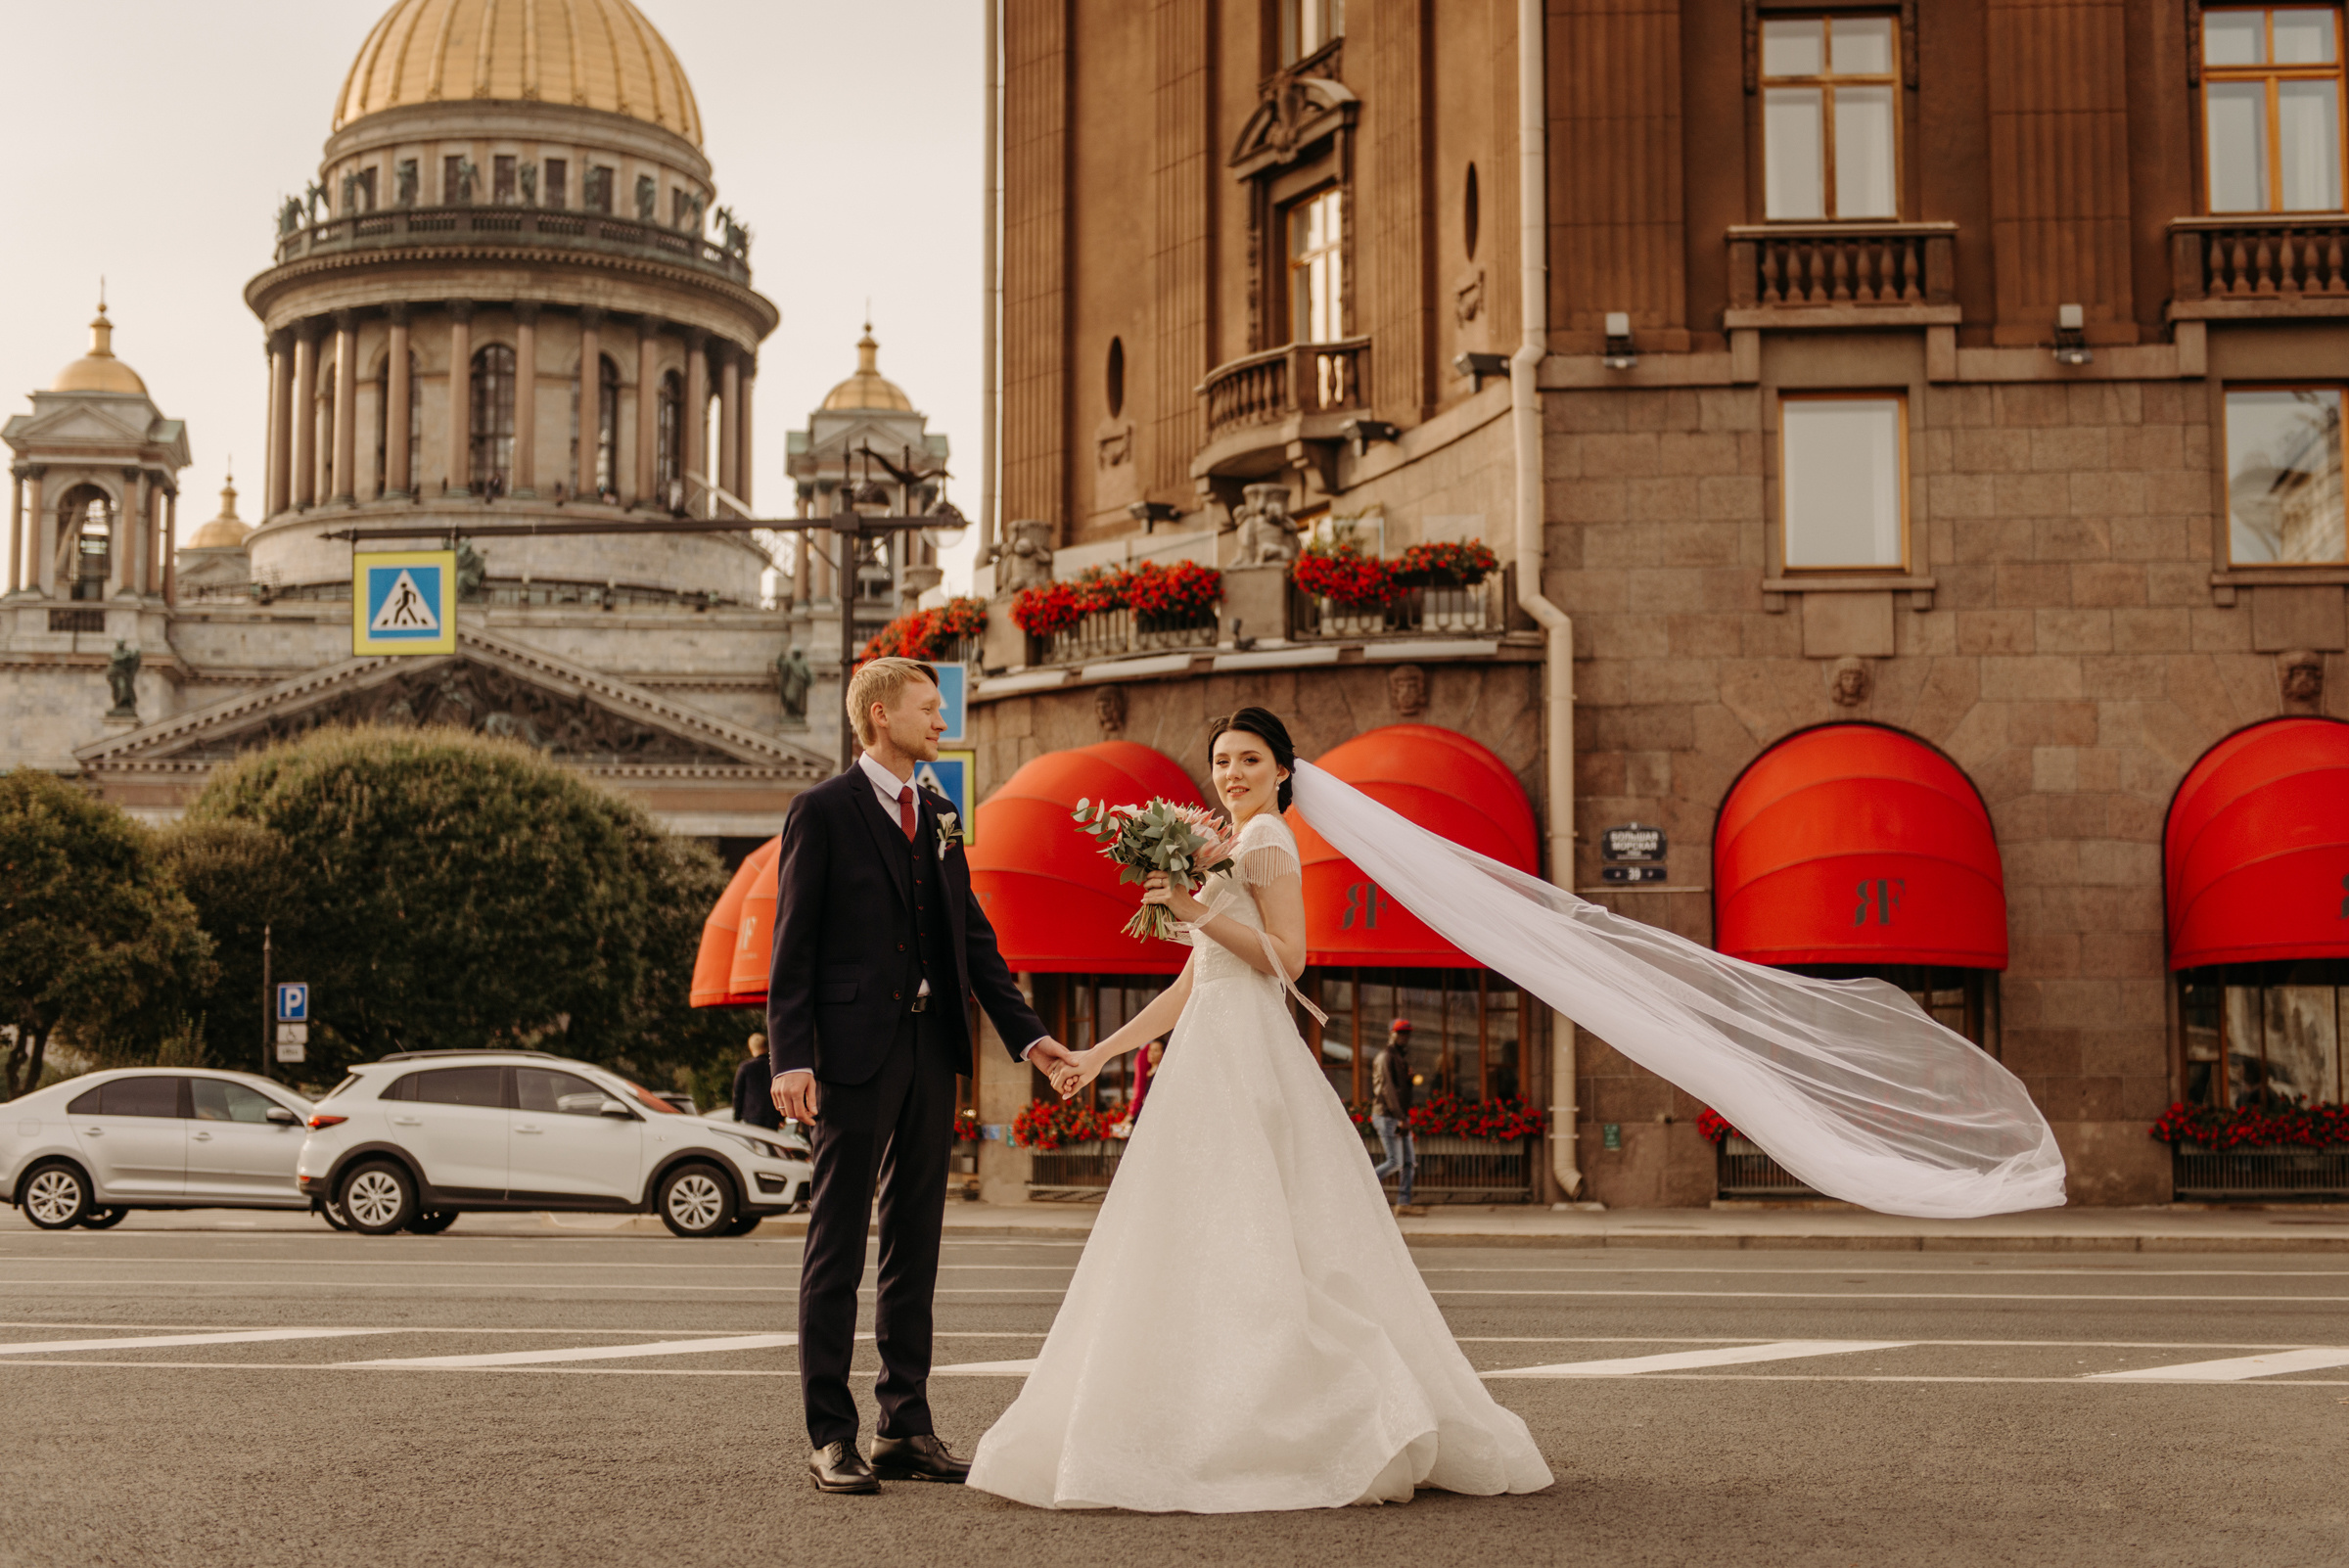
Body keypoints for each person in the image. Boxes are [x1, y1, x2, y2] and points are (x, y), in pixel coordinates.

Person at [966, 708, 1551, 1511]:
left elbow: (1290, 959)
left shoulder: (1269, 839)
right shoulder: (1231, 849)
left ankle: (1294, 1417)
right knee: (1205, 1235)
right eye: (1221, 761)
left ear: (1282, 770)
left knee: (1261, 1231)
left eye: (1248, 760)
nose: (1231, 774)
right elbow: (1192, 983)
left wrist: (1193, 905)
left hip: (1248, 1057)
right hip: (1208, 1047)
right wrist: (1099, 1053)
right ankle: (1207, 1408)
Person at [766, 655, 1074, 1496]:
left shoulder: (937, 812)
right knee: (837, 1242)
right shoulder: (822, 811)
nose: (943, 722)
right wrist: (790, 1055)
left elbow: (972, 940)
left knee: (917, 1244)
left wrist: (1032, 1040)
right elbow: (791, 944)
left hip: (931, 1049)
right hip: (853, 1053)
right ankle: (832, 1435)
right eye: (928, 710)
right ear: (878, 718)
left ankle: (905, 1424)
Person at [1371, 1020, 1422, 1216]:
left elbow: (1398, 1089)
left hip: (1398, 1116)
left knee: (1408, 1162)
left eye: (1407, 1033)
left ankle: (1404, 1204)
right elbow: (1387, 1090)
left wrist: (1409, 1080)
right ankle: (1362, 1188)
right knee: (1395, 1161)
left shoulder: (1399, 1057)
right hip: (1388, 1116)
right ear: (1391, 1033)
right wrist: (1401, 1117)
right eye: (1400, 1033)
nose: (1404, 1036)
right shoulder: (1386, 1057)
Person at [732, 1034, 779, 1131]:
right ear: (766, 1046)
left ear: (751, 1048)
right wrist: (781, 1117)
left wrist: (737, 1116)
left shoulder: (745, 1067)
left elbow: (738, 1092)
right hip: (772, 1115)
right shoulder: (774, 1066)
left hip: (752, 1115)